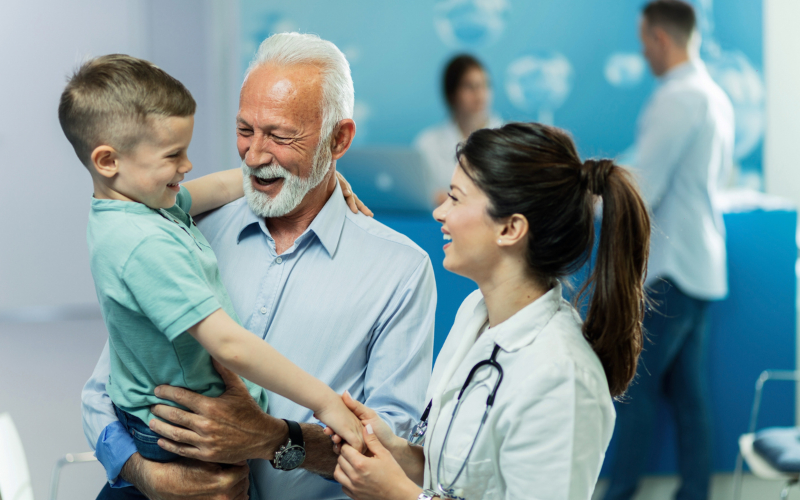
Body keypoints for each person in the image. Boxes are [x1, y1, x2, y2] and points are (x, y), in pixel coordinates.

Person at [81, 33, 436, 500]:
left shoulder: (400, 270)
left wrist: (274, 438)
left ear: (340, 139)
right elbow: (103, 390)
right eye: (245, 130)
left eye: (281, 136)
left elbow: (392, 457)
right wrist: (151, 477)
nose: (254, 155)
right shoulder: (179, 223)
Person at [329, 122, 652, 499]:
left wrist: (398, 494)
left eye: (455, 198)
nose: (438, 212)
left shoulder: (564, 377)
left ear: (511, 228)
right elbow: (462, 478)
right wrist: (395, 451)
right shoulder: (475, 314)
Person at [603, 2, 734, 500]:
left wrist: (587, 189)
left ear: (659, 37)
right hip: (701, 265)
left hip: (673, 270)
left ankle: (620, 493)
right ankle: (695, 492)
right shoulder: (714, 95)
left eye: (643, 39)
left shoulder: (678, 97)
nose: (641, 49)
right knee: (688, 396)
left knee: (635, 394)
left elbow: (644, 182)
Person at [414, 54, 502, 206]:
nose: (480, 94)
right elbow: (419, 195)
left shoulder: (508, 141)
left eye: (485, 85)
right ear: (452, 94)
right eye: (470, 86)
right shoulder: (427, 143)